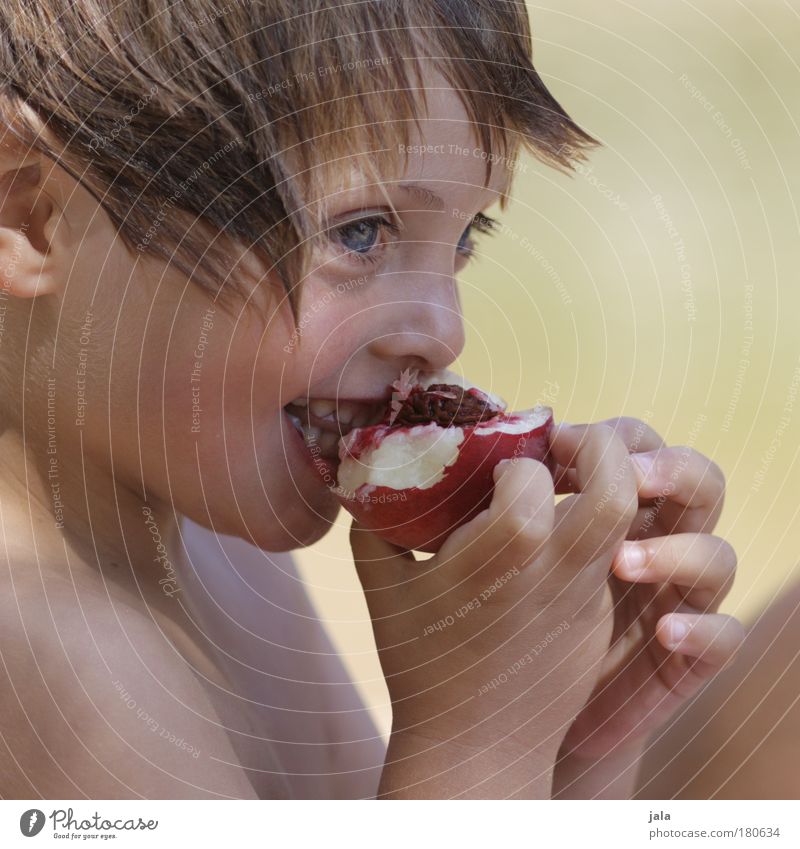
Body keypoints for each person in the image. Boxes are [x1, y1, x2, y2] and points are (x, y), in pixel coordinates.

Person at [0, 0, 743, 799]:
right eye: (361, 233)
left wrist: (563, 741)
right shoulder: (57, 656)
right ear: (33, 217)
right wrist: (477, 743)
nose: (443, 331)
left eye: (463, 241)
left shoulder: (228, 564)